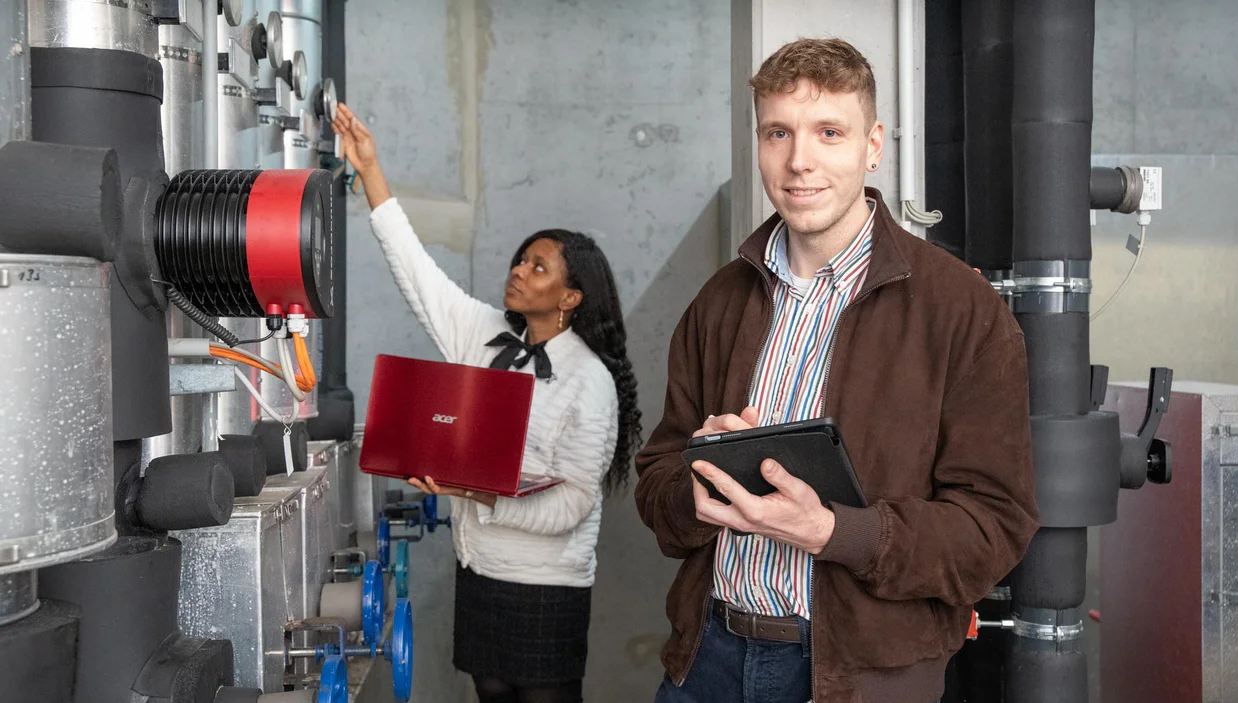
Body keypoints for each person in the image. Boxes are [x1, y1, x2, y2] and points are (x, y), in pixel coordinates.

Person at [635, 38, 1039, 703]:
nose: (800, 160)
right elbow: (655, 485)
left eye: (829, 132)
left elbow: (994, 529)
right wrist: (692, 493)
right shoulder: (719, 301)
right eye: (778, 132)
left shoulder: (960, 311)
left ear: (872, 145)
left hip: (861, 683)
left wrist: (835, 531)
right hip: (704, 663)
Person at [332, 103, 642, 703]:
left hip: (548, 587)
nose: (518, 270)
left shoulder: (590, 379)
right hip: (480, 574)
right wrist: (371, 172)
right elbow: (414, 270)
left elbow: (574, 505)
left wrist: (473, 491)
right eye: (521, 259)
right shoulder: (482, 333)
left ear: (571, 296)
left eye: (538, 266)